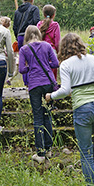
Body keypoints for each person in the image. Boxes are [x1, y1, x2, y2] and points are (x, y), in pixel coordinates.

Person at [45, 33, 94, 186]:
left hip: (82, 108)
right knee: (92, 146)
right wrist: (92, 87)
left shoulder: (66, 64)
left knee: (86, 150)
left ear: (64, 47)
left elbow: (65, 90)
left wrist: (50, 96)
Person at [19, 26, 59, 164]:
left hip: (34, 85)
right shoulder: (47, 45)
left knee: (37, 117)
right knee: (47, 114)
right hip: (48, 83)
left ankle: (40, 153)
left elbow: (22, 69)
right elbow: (55, 63)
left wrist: (31, 66)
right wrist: (44, 64)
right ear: (38, 34)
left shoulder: (24, 49)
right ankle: (49, 148)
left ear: (27, 36)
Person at [13, 0, 40, 86]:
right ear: (32, 0)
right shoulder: (34, 9)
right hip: (31, 36)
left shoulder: (17, 11)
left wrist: (17, 37)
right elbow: (36, 22)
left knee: (23, 60)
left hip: (20, 36)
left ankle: (26, 82)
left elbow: (14, 26)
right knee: (33, 59)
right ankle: (33, 81)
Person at [37, 4, 60, 79]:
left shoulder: (39, 24)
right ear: (53, 15)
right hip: (51, 51)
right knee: (52, 74)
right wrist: (59, 52)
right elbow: (57, 42)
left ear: (43, 14)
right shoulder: (55, 25)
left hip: (40, 51)